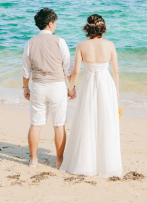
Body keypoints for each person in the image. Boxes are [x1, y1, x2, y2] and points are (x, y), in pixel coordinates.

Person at [60, 14, 123, 177]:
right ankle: (107, 164)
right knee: (106, 120)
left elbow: (75, 71)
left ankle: (85, 163)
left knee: (86, 119)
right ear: (103, 28)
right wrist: (116, 91)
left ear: (87, 28)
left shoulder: (81, 45)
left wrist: (70, 87)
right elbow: (115, 71)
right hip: (106, 84)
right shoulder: (110, 45)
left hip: (89, 84)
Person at [21, 7, 75, 168]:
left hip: (38, 86)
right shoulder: (60, 41)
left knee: (36, 124)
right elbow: (68, 68)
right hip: (57, 86)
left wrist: (25, 88)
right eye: (55, 23)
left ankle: (33, 159)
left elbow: (25, 69)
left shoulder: (30, 43)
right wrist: (71, 87)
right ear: (50, 24)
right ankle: (59, 160)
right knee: (59, 125)